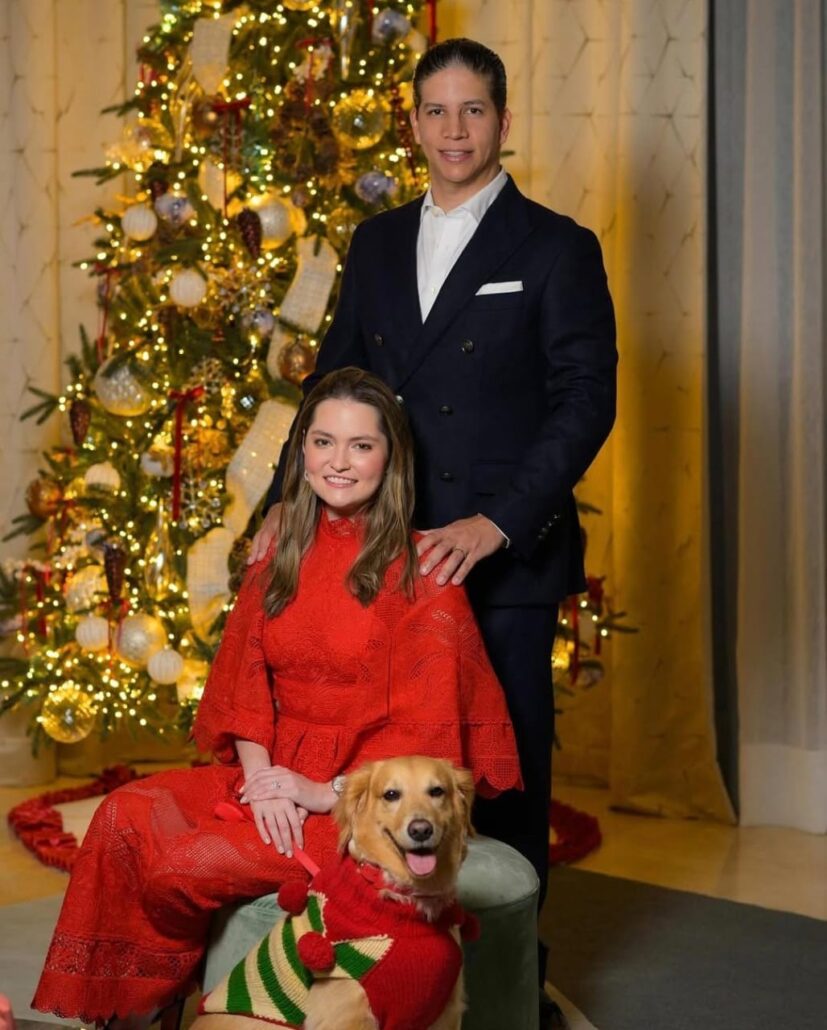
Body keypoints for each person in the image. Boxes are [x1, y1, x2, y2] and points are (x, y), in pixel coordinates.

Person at [251, 37, 617, 1019]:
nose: (453, 130)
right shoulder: (371, 246)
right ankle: (379, 959)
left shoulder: (554, 248)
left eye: (473, 111)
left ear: (502, 121)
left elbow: (584, 402)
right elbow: (333, 389)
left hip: (501, 560)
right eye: (435, 112)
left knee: (498, 781)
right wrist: (278, 510)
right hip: (388, 558)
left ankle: (505, 986)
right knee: (387, 769)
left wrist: (496, 523)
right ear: (410, 124)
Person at [32, 368, 521, 1028]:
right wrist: (264, 780)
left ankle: (175, 1001)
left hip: (353, 805)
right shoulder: (278, 548)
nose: (338, 462)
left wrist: (319, 794)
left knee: (185, 861)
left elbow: (423, 751)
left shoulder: (425, 574)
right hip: (270, 772)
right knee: (123, 815)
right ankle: (137, 1009)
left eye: (360, 445)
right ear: (302, 451)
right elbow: (244, 678)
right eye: (323, 442)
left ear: (391, 457)